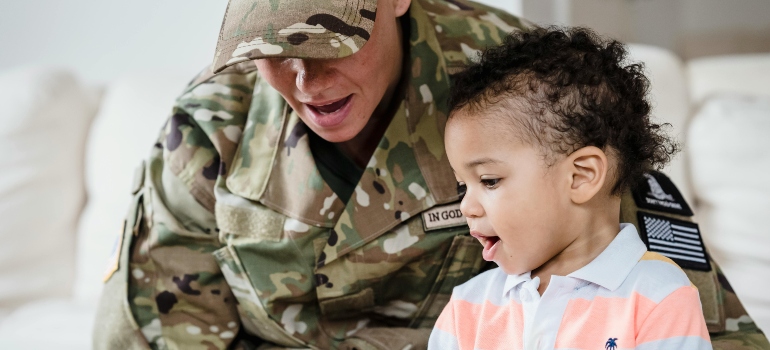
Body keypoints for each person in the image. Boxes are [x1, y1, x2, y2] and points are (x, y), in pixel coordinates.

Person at [91, 0, 769, 348]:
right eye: (272, 53)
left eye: (327, 43)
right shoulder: (213, 126)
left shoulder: (516, 81)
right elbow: (153, 327)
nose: (304, 81)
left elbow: (683, 303)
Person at [428, 27, 711, 349]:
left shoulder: (659, 296)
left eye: (489, 181)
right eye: (463, 186)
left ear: (581, 176)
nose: (467, 207)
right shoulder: (468, 306)